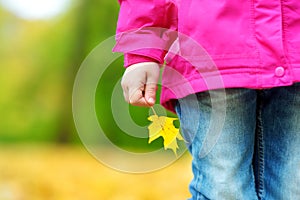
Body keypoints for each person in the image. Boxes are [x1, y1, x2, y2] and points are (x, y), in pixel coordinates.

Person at [113, 0, 300, 199]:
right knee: (223, 189)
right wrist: (142, 51)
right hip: (210, 54)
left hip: (294, 53)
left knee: (291, 189)